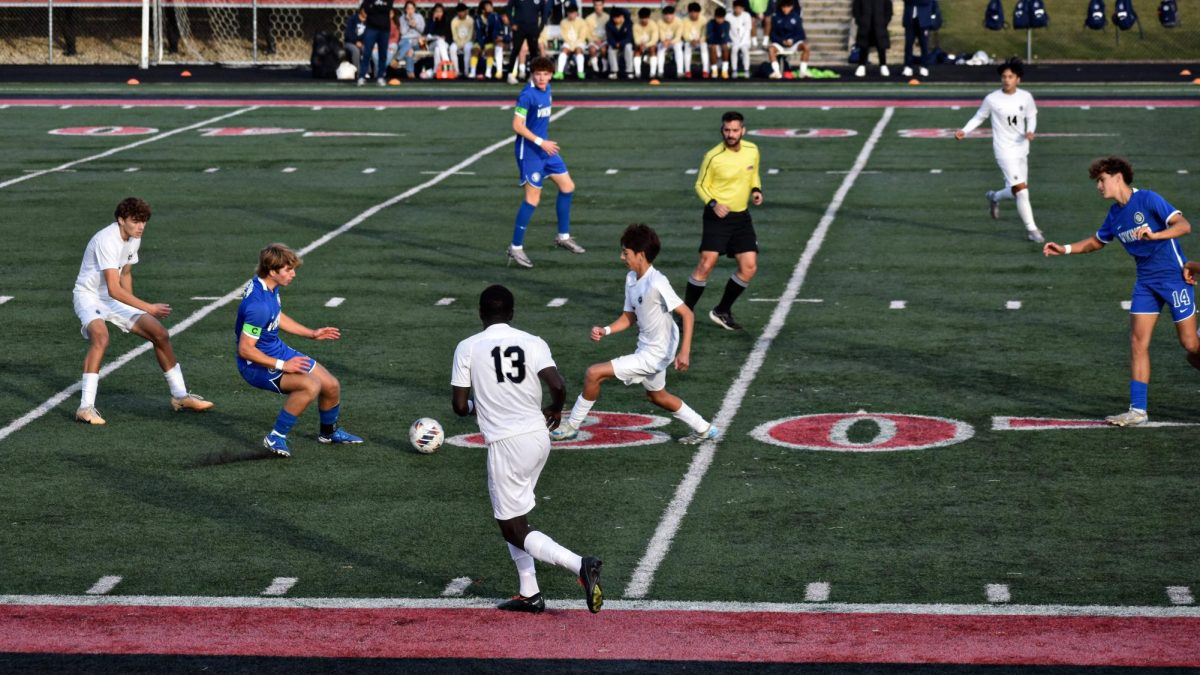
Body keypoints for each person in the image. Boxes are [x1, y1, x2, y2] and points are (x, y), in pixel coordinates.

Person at [451, 284, 604, 614]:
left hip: (507, 444)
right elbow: (558, 384)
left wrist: (483, 405)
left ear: (480, 314)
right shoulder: (533, 342)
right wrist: (555, 408)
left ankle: (580, 564)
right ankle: (529, 592)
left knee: (512, 526)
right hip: (539, 437)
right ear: (511, 313)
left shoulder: (467, 347)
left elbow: (460, 406)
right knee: (516, 517)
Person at [1043, 158, 1199, 427]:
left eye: (1101, 180)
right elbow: (1095, 242)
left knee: (1191, 347)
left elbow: (1184, 226)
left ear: (1117, 178)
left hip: (1174, 279)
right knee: (1138, 343)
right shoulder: (1115, 215)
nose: (1099, 186)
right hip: (1145, 284)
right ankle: (1137, 411)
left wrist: (1156, 235)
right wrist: (1064, 249)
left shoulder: (1148, 199)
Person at [551, 224, 719, 445]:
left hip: (657, 352)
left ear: (640, 255)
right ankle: (704, 428)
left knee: (594, 373)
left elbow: (687, 314)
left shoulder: (657, 282)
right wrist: (606, 330)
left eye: (626, 253)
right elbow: (629, 316)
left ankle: (572, 425)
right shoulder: (632, 278)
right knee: (656, 396)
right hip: (648, 347)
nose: (622, 257)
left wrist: (684, 352)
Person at [72, 198, 214, 426]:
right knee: (101, 337)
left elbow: (125, 274)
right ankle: (85, 407)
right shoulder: (107, 240)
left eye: (144, 222)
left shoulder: (133, 239)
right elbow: (113, 287)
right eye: (135, 221)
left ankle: (181, 397)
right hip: (89, 296)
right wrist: (147, 307)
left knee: (160, 334)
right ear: (121, 220)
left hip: (112, 297)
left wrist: (136, 310)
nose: (141, 226)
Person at [235, 243, 363, 457]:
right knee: (310, 386)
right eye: (288, 270)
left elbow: (276, 317)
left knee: (331, 385)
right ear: (272, 271)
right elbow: (246, 350)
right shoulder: (258, 306)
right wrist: (284, 365)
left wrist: (311, 333)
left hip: (276, 351)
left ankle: (328, 433)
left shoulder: (268, 287)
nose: (293, 274)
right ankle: (276, 436)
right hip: (256, 365)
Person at [685, 111, 763, 331]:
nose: (730, 134)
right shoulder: (713, 156)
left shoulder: (752, 150)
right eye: (727, 130)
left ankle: (722, 310)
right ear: (722, 130)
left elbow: (753, 173)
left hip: (741, 217)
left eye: (735, 130)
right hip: (717, 217)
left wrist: (756, 190)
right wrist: (713, 204)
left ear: (742, 131)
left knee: (749, 267)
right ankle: (685, 312)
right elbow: (700, 185)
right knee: (706, 264)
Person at [507, 55, 584, 268]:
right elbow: (517, 125)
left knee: (567, 186)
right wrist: (541, 142)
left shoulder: (547, 90)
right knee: (532, 200)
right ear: (532, 74)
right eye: (538, 74)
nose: (542, 78)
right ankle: (515, 247)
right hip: (530, 152)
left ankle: (563, 236)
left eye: (546, 74)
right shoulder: (527, 95)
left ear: (551, 75)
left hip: (546, 151)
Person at [954, 58, 1043, 243]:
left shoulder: (1026, 97)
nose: (1006, 80)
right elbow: (979, 117)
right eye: (1004, 76)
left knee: (1015, 191)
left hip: (1021, 149)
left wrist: (1030, 131)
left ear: (1018, 79)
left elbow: (1031, 116)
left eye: (1010, 76)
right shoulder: (992, 99)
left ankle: (994, 196)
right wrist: (964, 130)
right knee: (1022, 191)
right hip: (1003, 150)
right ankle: (1032, 230)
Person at [506, 0, 553, 84]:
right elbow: (508, 9)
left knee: (534, 52)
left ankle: (533, 75)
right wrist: (512, 23)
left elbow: (544, 13)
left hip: (533, 28)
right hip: (519, 28)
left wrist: (540, 28)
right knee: (515, 50)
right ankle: (510, 75)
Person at [768, 0, 808, 79]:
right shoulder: (776, 18)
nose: (785, 9)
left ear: (791, 7)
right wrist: (781, 41)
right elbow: (772, 35)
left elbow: (801, 35)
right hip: (780, 43)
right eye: (784, 7)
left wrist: (792, 40)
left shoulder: (796, 18)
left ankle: (803, 71)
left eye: (788, 7)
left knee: (806, 47)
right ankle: (776, 72)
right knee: (771, 49)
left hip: (793, 44)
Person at [359, 0, 395, 85]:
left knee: (383, 54)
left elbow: (388, 8)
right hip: (371, 28)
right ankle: (361, 77)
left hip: (384, 29)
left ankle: (380, 77)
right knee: (367, 53)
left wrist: (374, 7)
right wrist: (380, 8)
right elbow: (366, 8)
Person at [852, 0, 891, 77]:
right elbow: (856, 8)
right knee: (863, 45)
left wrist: (884, 22)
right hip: (865, 24)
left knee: (881, 46)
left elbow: (888, 9)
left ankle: (883, 65)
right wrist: (860, 21)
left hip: (879, 24)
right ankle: (861, 66)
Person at [555, 3, 590, 79]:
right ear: (567, 13)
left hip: (579, 42)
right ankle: (559, 72)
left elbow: (582, 36)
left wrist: (575, 45)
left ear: (576, 13)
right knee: (564, 50)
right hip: (568, 42)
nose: (571, 15)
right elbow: (563, 35)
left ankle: (580, 72)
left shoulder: (582, 22)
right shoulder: (563, 22)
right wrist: (570, 44)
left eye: (573, 13)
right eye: (569, 13)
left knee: (579, 50)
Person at [901, 0, 932, 78]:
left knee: (924, 45)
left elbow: (927, 2)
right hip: (910, 19)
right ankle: (908, 66)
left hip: (923, 20)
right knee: (908, 44)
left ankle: (924, 66)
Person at [395, 0, 426, 78]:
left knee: (413, 42)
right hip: (405, 41)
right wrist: (408, 21)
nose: (410, 10)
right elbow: (402, 32)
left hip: (417, 41)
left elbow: (422, 30)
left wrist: (415, 25)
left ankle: (397, 59)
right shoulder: (402, 18)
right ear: (405, 9)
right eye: (408, 8)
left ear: (414, 9)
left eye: (412, 8)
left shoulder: (419, 17)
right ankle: (410, 73)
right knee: (409, 51)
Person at [475, 0, 503, 79]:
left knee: (493, 48)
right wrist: (482, 44)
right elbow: (479, 34)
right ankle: (475, 72)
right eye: (487, 7)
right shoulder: (478, 19)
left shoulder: (495, 16)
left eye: (490, 6)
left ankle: (492, 72)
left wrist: (497, 38)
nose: (490, 8)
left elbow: (497, 30)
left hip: (493, 41)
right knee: (476, 49)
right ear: (483, 10)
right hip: (483, 41)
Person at [680, 2, 708, 78]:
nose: (693, 14)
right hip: (689, 41)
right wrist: (690, 40)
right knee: (687, 47)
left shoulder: (703, 20)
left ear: (699, 12)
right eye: (691, 13)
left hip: (700, 41)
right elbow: (684, 33)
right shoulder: (684, 20)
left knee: (704, 47)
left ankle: (705, 71)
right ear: (688, 13)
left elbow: (704, 34)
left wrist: (699, 40)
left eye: (695, 12)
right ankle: (687, 71)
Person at [656, 5, 684, 78]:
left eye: (670, 14)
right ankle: (660, 72)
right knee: (660, 49)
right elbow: (661, 35)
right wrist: (663, 41)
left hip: (675, 41)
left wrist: (670, 41)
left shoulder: (679, 22)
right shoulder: (659, 22)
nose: (668, 16)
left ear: (673, 14)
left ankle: (680, 72)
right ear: (663, 15)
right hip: (664, 42)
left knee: (678, 49)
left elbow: (678, 37)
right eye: (666, 14)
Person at [425, 3, 454, 76]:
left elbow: (449, 36)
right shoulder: (430, 21)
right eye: (436, 11)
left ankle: (435, 71)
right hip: (432, 44)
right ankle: (447, 63)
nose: (438, 13)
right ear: (433, 12)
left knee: (438, 50)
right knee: (439, 42)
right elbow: (427, 34)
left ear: (443, 12)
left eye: (440, 11)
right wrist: (433, 21)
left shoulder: (447, 21)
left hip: (444, 44)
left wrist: (444, 37)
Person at [605, 7, 634, 79]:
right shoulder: (609, 24)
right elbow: (609, 38)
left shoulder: (629, 23)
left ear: (622, 17)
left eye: (617, 17)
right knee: (610, 49)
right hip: (615, 45)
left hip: (625, 44)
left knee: (629, 47)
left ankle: (629, 71)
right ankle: (614, 71)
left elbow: (629, 37)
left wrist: (621, 43)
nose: (616, 20)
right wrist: (615, 44)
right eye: (614, 18)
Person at [632, 8, 661, 79]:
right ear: (639, 18)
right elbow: (636, 40)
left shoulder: (653, 25)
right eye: (642, 18)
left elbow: (654, 39)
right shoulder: (635, 26)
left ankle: (652, 73)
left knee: (653, 49)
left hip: (650, 44)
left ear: (649, 17)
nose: (644, 20)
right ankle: (637, 73)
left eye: (646, 18)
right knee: (637, 51)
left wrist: (646, 45)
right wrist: (640, 44)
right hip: (640, 45)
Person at [728, 0, 753, 79]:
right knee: (734, 49)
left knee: (745, 50)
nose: (738, 10)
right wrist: (734, 41)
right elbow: (728, 31)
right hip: (733, 41)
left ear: (743, 9)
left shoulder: (747, 16)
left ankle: (746, 70)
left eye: (740, 8)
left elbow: (747, 30)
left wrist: (742, 42)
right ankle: (734, 70)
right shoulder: (728, 16)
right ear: (733, 8)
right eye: (736, 8)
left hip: (745, 41)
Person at [450, 2, 476, 77]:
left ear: (466, 11)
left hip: (468, 41)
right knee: (452, 48)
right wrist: (459, 43)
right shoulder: (454, 21)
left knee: (468, 48)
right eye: (459, 12)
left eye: (462, 11)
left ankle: (466, 71)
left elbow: (471, 34)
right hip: (457, 41)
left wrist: (464, 43)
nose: (460, 13)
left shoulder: (470, 20)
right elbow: (454, 35)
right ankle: (456, 71)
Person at [705, 6, 731, 79]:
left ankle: (724, 70)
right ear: (715, 17)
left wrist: (722, 42)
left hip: (723, 42)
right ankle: (714, 70)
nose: (719, 20)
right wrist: (714, 43)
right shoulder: (710, 23)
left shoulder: (727, 24)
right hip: (713, 42)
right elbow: (710, 36)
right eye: (718, 18)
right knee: (713, 47)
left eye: (721, 18)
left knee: (725, 47)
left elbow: (725, 37)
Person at [585, 0, 610, 75]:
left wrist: (603, 40)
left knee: (604, 50)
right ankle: (595, 70)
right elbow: (586, 33)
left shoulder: (608, 17)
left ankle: (605, 69)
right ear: (593, 6)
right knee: (592, 50)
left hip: (604, 40)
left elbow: (610, 31)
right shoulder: (589, 18)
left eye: (599, 5)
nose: (598, 7)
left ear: (603, 5)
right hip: (593, 41)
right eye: (596, 5)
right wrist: (593, 40)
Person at [343, 7, 369, 75]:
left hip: (362, 43)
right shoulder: (353, 19)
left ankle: (368, 72)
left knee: (366, 49)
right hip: (350, 42)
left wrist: (363, 43)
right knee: (355, 51)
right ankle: (358, 72)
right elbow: (348, 34)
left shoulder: (369, 21)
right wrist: (355, 42)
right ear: (361, 10)